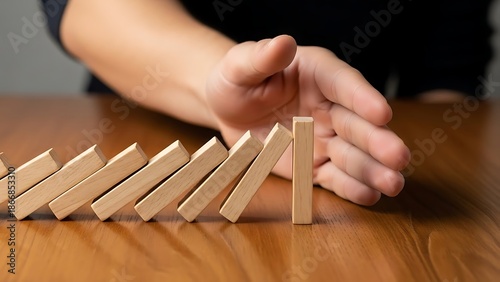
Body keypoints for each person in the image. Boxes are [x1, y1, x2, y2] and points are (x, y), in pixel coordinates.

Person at [40, 0, 492, 206]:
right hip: (131, 128)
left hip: (336, 148)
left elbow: (450, 66)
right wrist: (218, 80)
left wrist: (410, 156)